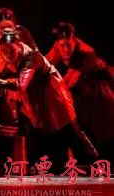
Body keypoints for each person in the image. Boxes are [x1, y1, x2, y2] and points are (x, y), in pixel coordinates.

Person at [0, 29, 97, 167]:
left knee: (67, 127)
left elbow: (21, 84)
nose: (8, 54)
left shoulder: (32, 57)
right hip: (33, 97)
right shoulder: (2, 49)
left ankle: (94, 162)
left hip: (53, 93)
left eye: (12, 50)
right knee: (43, 132)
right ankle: (57, 164)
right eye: (5, 50)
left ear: (19, 45)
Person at [46, 22, 114, 158]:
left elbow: (67, 83)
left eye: (69, 45)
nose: (66, 49)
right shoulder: (58, 47)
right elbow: (44, 63)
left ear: (75, 42)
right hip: (85, 94)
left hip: (101, 95)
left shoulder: (85, 53)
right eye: (62, 45)